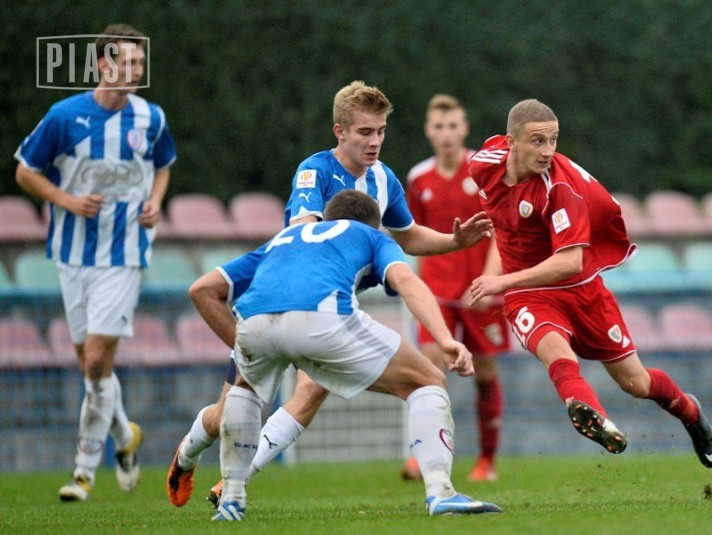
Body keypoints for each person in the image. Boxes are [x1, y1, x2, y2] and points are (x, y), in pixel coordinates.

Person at [167, 81, 492, 507]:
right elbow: (307, 235)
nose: (374, 141)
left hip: (326, 308)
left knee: (311, 391)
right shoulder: (315, 170)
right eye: (364, 132)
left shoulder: (384, 178)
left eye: (380, 131)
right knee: (227, 413)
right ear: (340, 131)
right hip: (288, 293)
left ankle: (231, 486)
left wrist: (454, 241)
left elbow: (408, 234)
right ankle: (187, 455)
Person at [211, 189, 502, 521]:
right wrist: (445, 339)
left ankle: (231, 498)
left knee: (244, 390)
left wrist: (241, 345)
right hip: (322, 317)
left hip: (253, 319)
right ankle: (441, 493)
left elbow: (203, 288)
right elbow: (406, 280)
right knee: (428, 380)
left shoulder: (283, 239)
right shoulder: (370, 236)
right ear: (374, 224)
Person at [467, 99, 712, 468]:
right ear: (511, 143)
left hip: (581, 290)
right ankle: (590, 413)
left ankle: (690, 412)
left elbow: (570, 263)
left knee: (636, 383)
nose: (548, 150)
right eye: (537, 141)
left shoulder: (559, 189)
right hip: (529, 294)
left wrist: (501, 280)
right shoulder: (482, 165)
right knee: (557, 352)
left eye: (553, 140)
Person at [14, 24, 176, 502]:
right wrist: (66, 200)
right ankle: (125, 435)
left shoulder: (150, 117)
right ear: (103, 65)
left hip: (124, 253)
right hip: (72, 255)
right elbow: (25, 171)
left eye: (140, 63)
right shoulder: (65, 116)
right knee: (91, 366)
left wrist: (156, 202)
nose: (136, 71)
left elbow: (163, 166)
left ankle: (83, 472)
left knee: (100, 359)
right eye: (127, 63)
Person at [401, 94, 508, 482]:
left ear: (464, 129)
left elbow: (502, 231)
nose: (446, 133)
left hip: (480, 290)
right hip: (437, 293)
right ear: (428, 131)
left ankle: (487, 461)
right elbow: (412, 236)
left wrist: (489, 283)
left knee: (484, 369)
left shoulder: (484, 170)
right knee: (430, 364)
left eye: (452, 126)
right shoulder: (418, 179)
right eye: (439, 126)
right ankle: (425, 455)